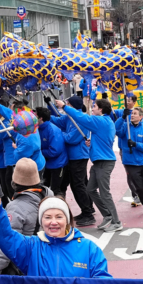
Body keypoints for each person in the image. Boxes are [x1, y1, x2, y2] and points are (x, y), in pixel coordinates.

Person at [55, 96, 121, 232]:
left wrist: (64, 107)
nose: (92, 108)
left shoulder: (101, 120)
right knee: (90, 189)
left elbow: (81, 118)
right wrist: (92, 143)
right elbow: (104, 140)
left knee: (105, 193)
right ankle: (107, 215)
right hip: (98, 161)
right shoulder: (105, 122)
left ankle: (116, 221)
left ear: (101, 109)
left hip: (104, 162)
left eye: (94, 106)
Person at [0, 158, 53, 275]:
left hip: (25, 265)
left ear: (14, 181)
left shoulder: (16, 207)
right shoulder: (48, 195)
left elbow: (7, 246)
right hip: (46, 260)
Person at [50, 96, 95, 225]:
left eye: (67, 104)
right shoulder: (69, 117)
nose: (65, 106)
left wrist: (59, 134)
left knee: (78, 185)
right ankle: (88, 208)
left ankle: (87, 213)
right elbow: (57, 121)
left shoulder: (79, 120)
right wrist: (46, 114)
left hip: (79, 156)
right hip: (72, 156)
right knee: (82, 183)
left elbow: (71, 139)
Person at [36, 106, 68, 196]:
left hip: (58, 164)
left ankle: (61, 209)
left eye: (35, 116)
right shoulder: (38, 128)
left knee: (56, 190)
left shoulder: (53, 130)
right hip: (47, 163)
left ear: (41, 118)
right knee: (43, 188)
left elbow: (54, 151)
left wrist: (39, 152)